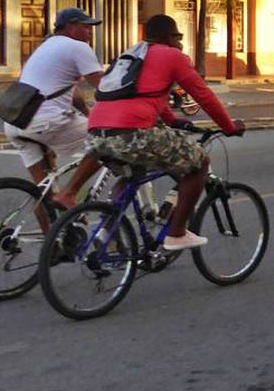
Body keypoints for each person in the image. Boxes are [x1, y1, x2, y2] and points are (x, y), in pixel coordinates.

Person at [71, 14, 245, 251]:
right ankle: (176, 233)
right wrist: (229, 126)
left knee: (131, 174)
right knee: (200, 163)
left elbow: (141, 93)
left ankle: (107, 229)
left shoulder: (132, 54)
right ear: (167, 37)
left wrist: (172, 120)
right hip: (132, 133)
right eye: (178, 37)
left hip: (97, 133)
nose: (179, 42)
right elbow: (203, 95)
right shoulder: (172, 56)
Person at [3, 7, 104, 206]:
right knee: (109, 142)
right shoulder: (78, 47)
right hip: (45, 121)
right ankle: (69, 193)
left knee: (43, 193)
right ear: (70, 27)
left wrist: (88, 114)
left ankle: (59, 224)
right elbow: (105, 86)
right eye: (85, 26)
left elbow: (71, 92)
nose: (90, 32)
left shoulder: (46, 46)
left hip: (16, 122)